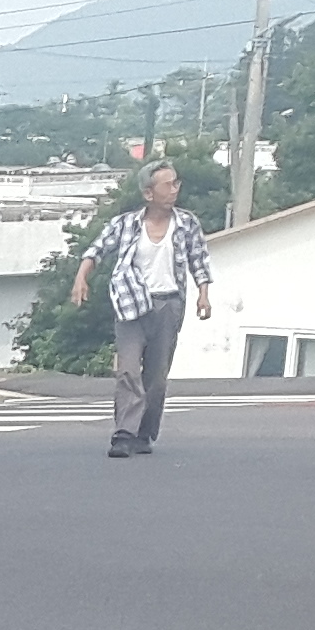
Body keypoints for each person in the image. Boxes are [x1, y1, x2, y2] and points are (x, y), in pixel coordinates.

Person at [70, 161, 213, 458]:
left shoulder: (186, 223)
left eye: (176, 183)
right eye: (167, 185)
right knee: (127, 370)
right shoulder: (126, 224)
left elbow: (198, 260)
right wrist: (82, 276)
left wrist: (203, 294)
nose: (174, 190)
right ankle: (123, 433)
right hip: (132, 306)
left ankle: (144, 433)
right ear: (149, 193)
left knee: (157, 377)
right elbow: (97, 249)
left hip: (168, 305)